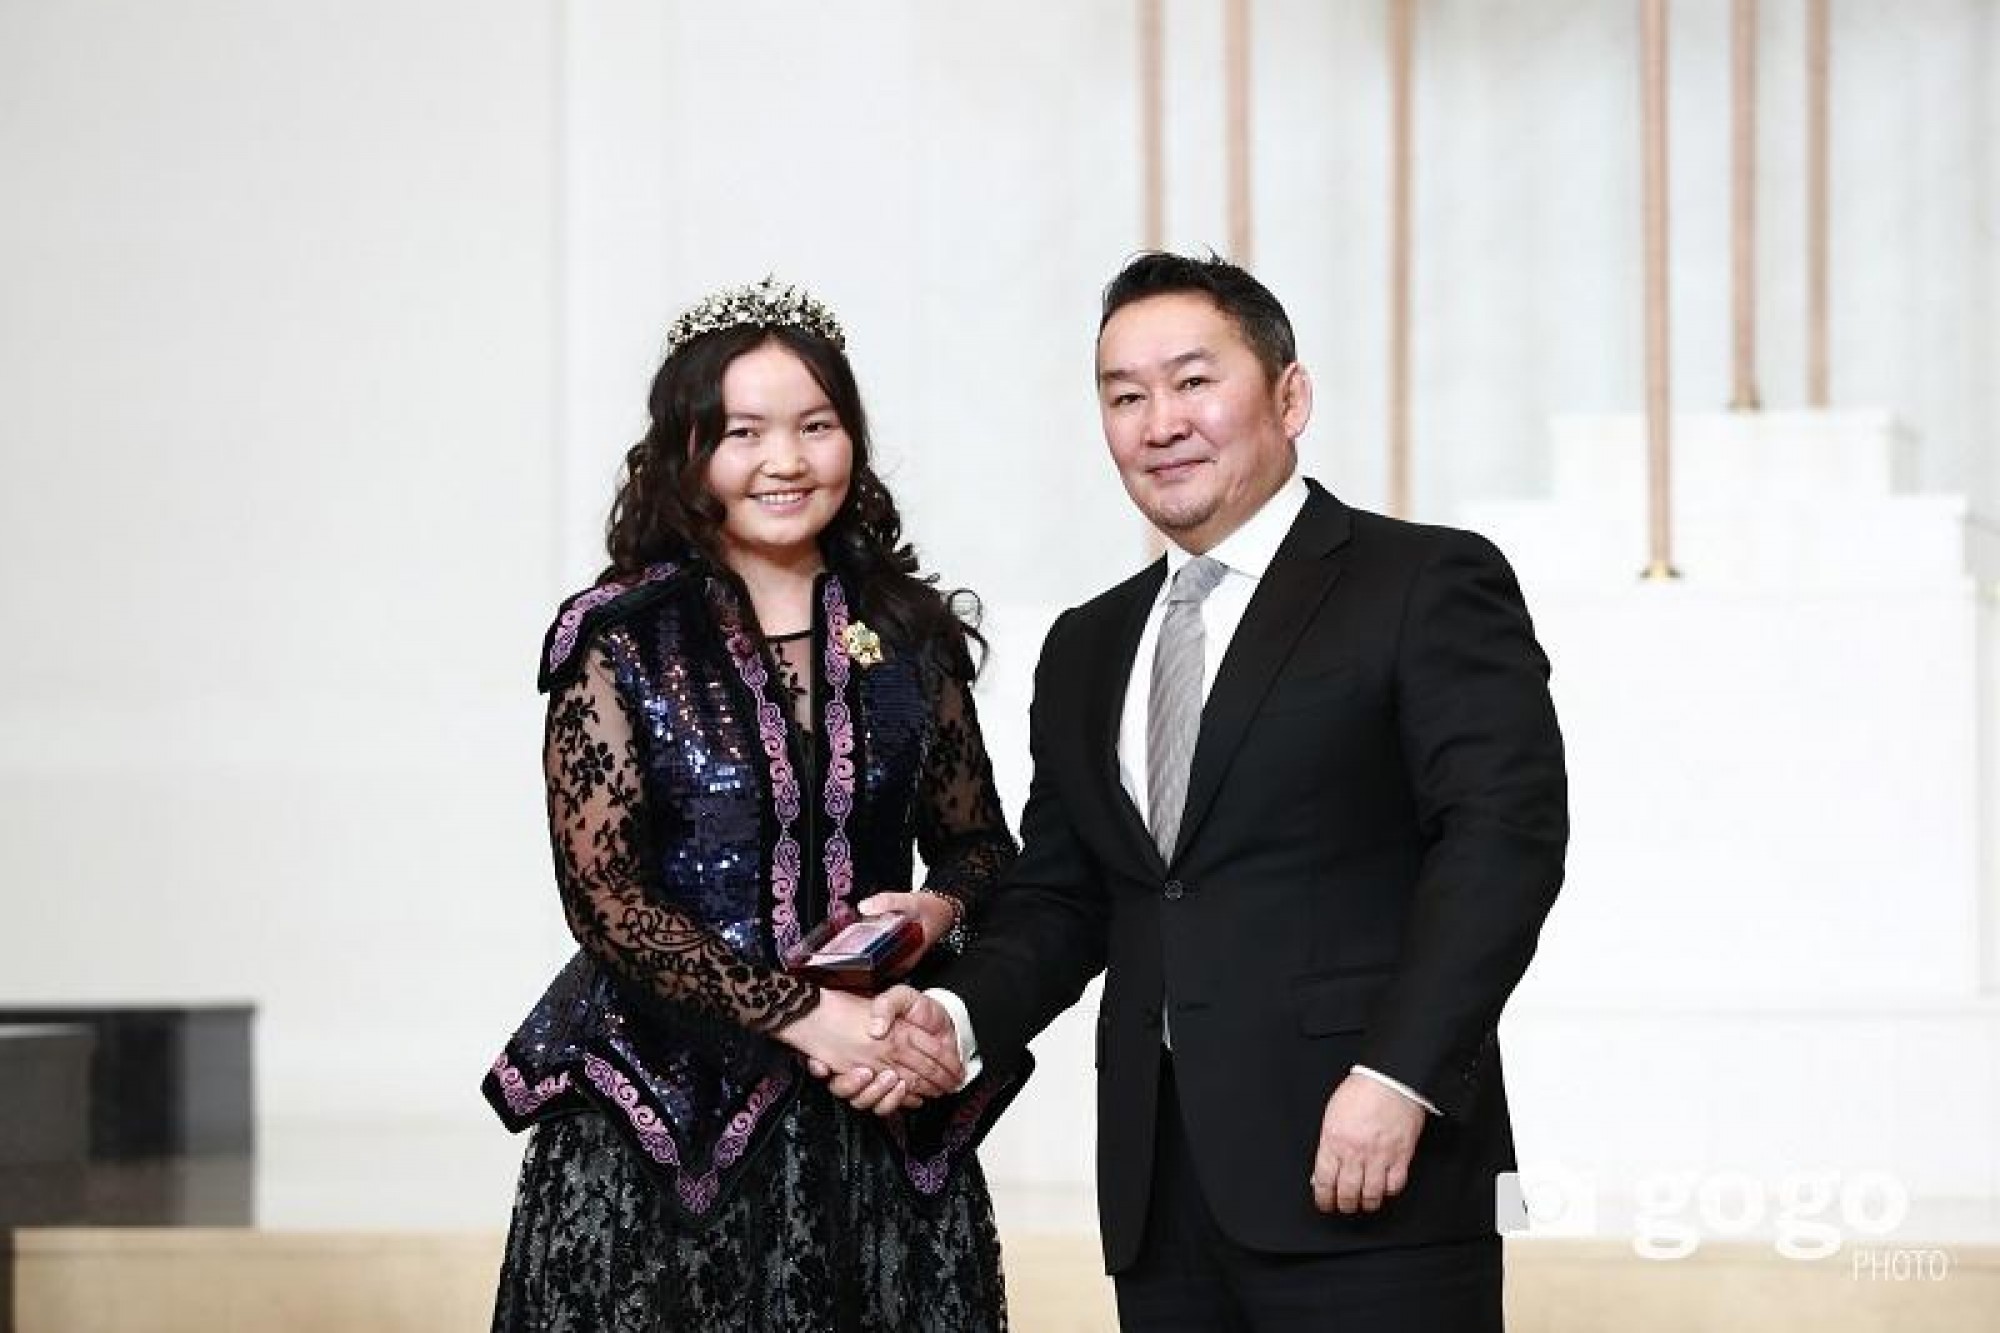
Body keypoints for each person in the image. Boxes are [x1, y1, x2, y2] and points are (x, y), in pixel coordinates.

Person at [836, 252, 1569, 1331]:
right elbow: (1065, 896)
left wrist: (1400, 1076)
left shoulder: (1424, 581)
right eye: (1124, 396)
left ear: (1289, 396)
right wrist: (954, 1015)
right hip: (1162, 1196)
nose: (1159, 423)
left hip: (1372, 1163)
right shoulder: (1088, 645)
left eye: (1192, 381)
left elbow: (1501, 844)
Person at [482, 276, 1025, 1333]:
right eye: (744, 432)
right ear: (686, 451)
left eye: (816, 426)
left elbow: (979, 848)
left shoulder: (906, 630)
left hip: (874, 1109)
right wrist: (807, 1017)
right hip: (660, 1125)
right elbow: (605, 901)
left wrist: (933, 915)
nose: (786, 460)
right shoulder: (621, 638)